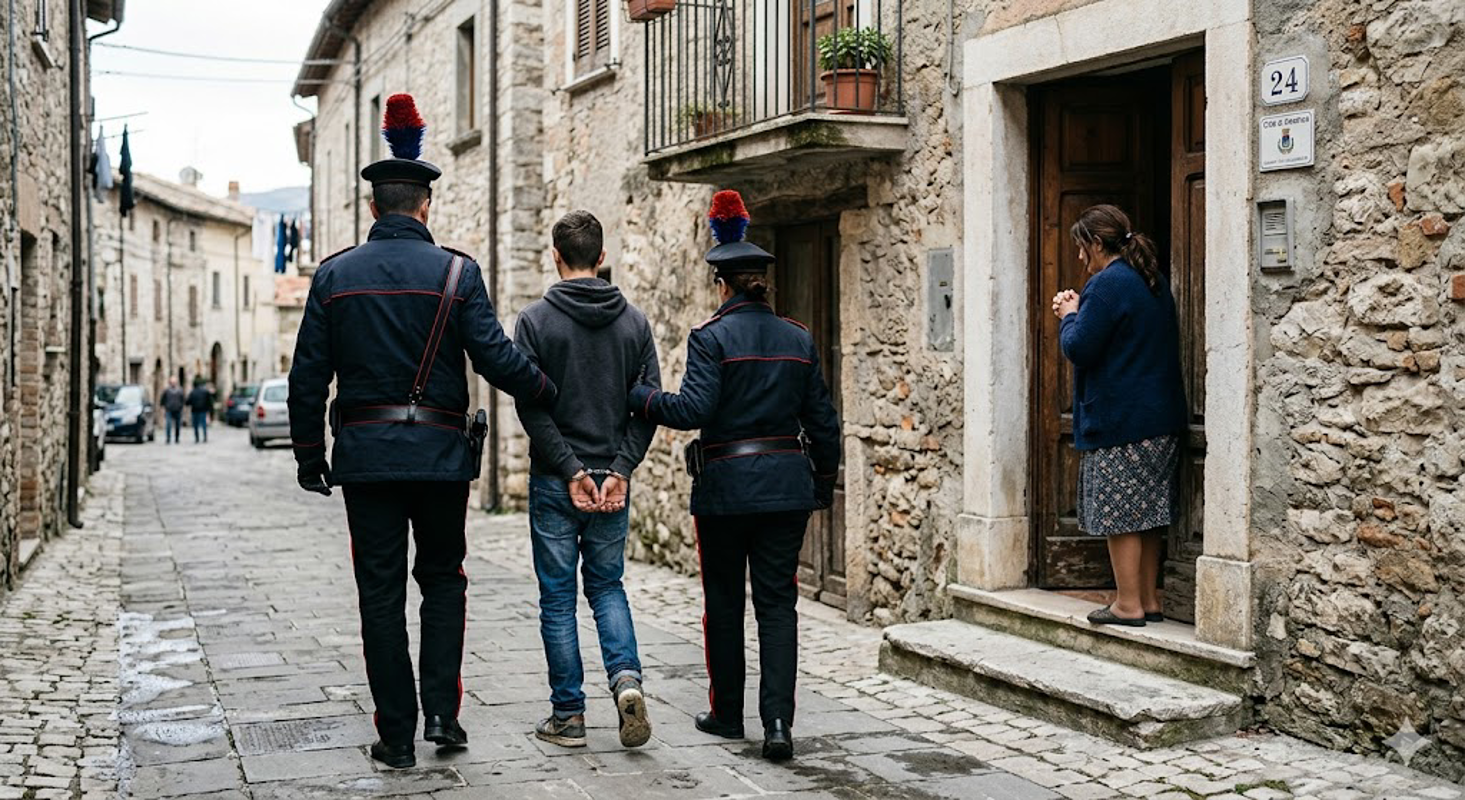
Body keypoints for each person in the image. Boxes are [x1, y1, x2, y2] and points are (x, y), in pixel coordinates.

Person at [288, 94, 558, 770]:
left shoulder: (332, 276)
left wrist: (308, 456)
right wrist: (548, 388)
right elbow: (496, 357)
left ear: (373, 208)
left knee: (379, 593)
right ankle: (443, 713)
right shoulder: (457, 272)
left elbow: (305, 378)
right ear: (424, 206)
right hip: (440, 458)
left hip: (367, 459)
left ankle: (396, 735)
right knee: (442, 580)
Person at [628, 190, 840, 761]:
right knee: (777, 605)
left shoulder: (711, 337)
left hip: (725, 491)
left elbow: (693, 410)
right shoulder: (798, 338)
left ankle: (727, 714)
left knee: (723, 602)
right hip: (786, 489)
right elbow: (824, 421)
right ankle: (777, 724)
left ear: (721, 284)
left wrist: (645, 398)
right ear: (761, 284)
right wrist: (820, 483)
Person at [513, 210, 661, 750]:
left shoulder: (534, 322)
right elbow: (647, 408)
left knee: (557, 599)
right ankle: (626, 682)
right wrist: (619, 470)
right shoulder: (635, 323)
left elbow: (531, 409)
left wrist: (570, 469)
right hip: (612, 480)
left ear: (556, 257)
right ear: (602, 257)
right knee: (606, 586)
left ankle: (569, 717)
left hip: (557, 479)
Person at [1051, 203, 1188, 627]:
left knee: (1121, 514)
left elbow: (1080, 348)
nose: (1079, 258)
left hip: (1122, 420)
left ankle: (1126, 604)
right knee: (1146, 512)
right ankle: (1147, 599)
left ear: (1096, 243)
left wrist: (1068, 315)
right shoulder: (1150, 280)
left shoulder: (1107, 285)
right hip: (1160, 418)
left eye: (1081, 247)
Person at [160, 377, 185, 444]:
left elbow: (183, 400)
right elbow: (162, 400)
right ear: (170, 383)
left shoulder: (180, 390)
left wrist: (181, 407)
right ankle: (168, 438)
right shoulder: (167, 391)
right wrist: (163, 409)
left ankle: (177, 438)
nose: (173, 383)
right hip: (169, 410)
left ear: (176, 383)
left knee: (177, 426)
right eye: (172, 382)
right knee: (168, 425)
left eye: (174, 382)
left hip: (178, 410)